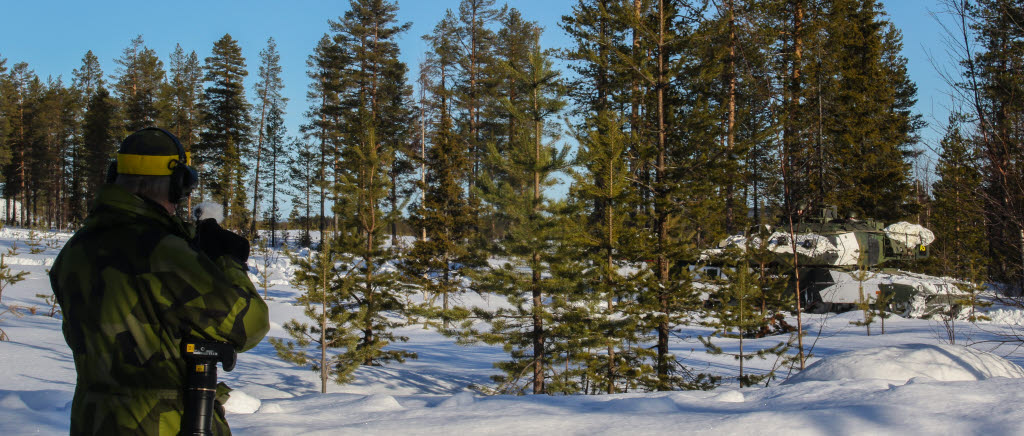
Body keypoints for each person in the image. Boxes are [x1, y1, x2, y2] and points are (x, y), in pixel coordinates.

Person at [49, 128, 269, 435]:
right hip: (162, 423)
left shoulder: (76, 250)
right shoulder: (161, 251)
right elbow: (249, 325)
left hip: (93, 420)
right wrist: (227, 262)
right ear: (177, 185)